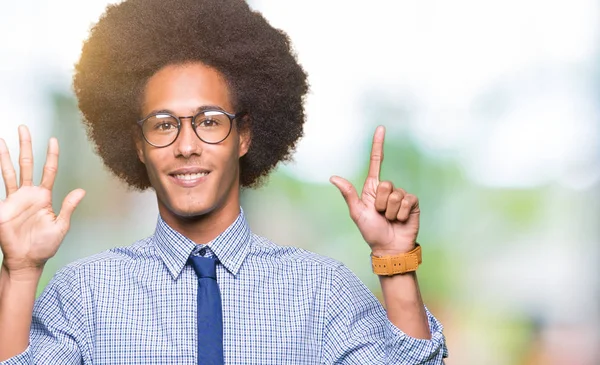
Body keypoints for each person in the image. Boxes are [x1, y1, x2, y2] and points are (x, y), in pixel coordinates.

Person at [0, 0, 448, 363]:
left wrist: (396, 261)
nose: (187, 146)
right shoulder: (84, 295)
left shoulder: (321, 292)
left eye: (210, 122)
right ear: (138, 145)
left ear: (245, 135)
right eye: (162, 125)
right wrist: (20, 272)